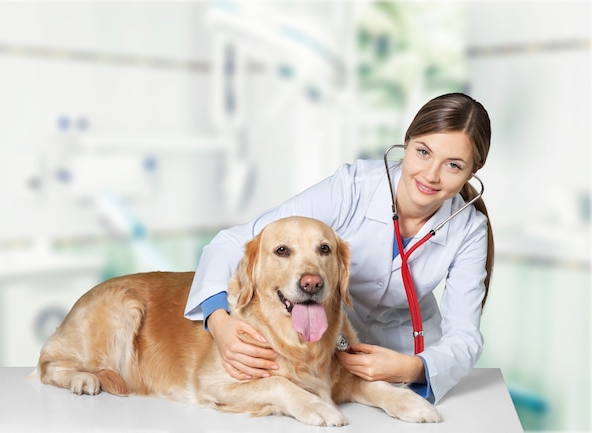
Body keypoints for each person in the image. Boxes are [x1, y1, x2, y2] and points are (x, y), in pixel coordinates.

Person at [184, 92, 494, 404]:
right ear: (407, 141)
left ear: (474, 170)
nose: (430, 175)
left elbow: (464, 335)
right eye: (423, 152)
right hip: (331, 342)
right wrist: (218, 321)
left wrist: (412, 368)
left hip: (405, 352)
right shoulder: (353, 186)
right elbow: (235, 241)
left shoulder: (469, 230)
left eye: (453, 165)